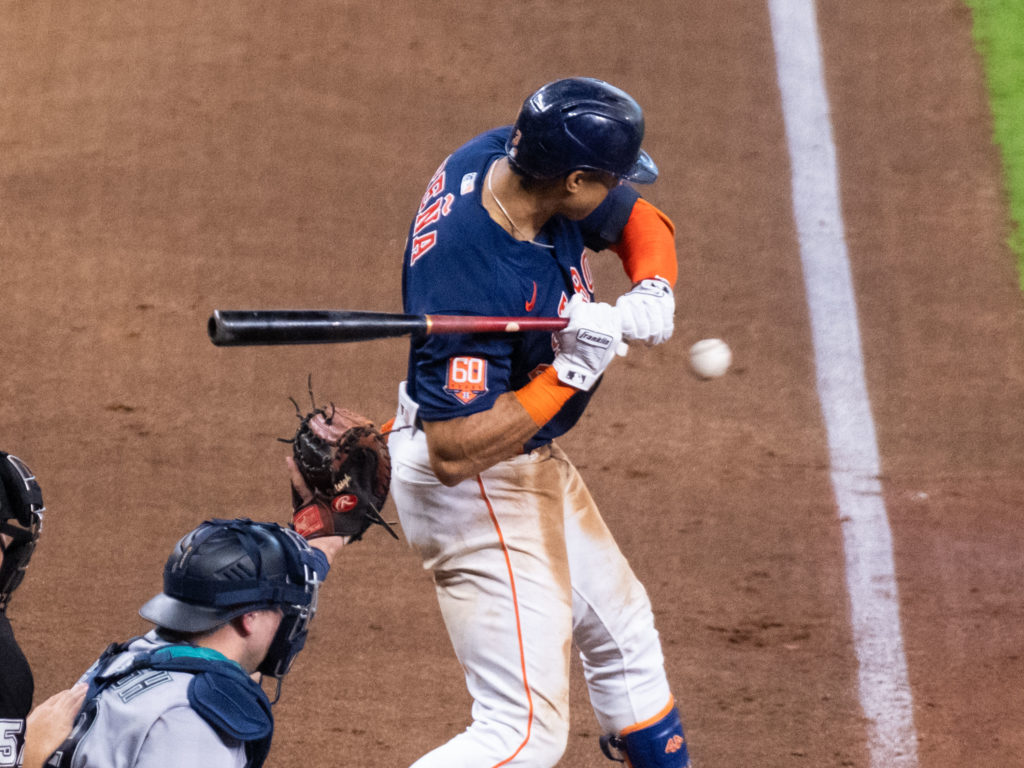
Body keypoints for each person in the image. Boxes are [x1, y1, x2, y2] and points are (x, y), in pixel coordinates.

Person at [387, 77, 692, 767]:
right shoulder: (472, 273)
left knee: (623, 636)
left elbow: (641, 220)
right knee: (520, 736)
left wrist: (653, 285)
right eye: (608, 177)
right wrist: (571, 371)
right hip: (478, 487)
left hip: (527, 457)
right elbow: (454, 450)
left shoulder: (509, 157)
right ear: (574, 179)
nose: (616, 189)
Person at [41, 461, 347, 768]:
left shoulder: (134, 658)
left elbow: (235, 654)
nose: (292, 618)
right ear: (249, 617)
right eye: (284, 607)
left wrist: (322, 543)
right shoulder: (190, 724)